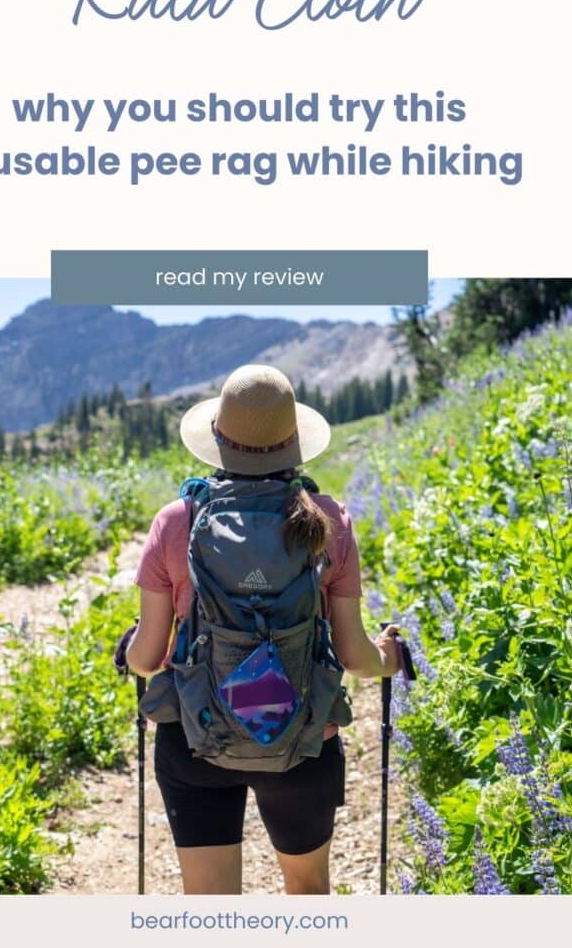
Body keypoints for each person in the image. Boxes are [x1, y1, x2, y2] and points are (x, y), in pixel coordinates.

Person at [126, 364, 400, 895]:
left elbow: (145, 658)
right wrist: (390, 658)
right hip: (301, 741)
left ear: (218, 438)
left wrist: (129, 646)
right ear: (293, 441)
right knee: (307, 895)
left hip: (194, 738)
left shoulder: (175, 521)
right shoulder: (328, 520)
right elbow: (354, 655)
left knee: (211, 910)